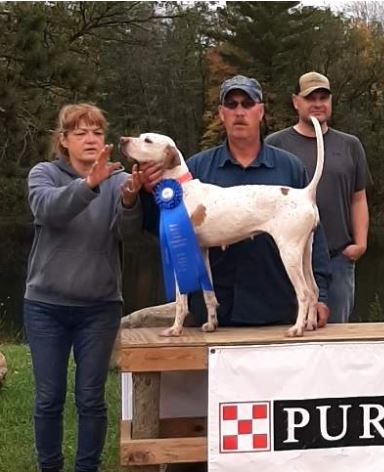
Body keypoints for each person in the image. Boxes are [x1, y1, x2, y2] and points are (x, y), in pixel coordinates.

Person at [141, 75, 332, 327]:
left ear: (260, 111)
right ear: (221, 113)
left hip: (277, 311)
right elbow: (167, 231)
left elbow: (314, 237)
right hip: (215, 319)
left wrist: (323, 297)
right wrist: (146, 194)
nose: (239, 111)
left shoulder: (290, 167)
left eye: (247, 103)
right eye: (231, 105)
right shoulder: (195, 169)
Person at [24, 103, 143, 472]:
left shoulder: (115, 178)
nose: (91, 138)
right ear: (63, 141)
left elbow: (129, 234)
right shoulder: (43, 174)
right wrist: (90, 183)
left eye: (97, 132)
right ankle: (50, 466)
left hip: (100, 306)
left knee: (91, 398)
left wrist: (129, 201)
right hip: (46, 306)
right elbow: (49, 211)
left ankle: (87, 467)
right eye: (81, 132)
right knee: (49, 398)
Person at [266, 71, 370, 324]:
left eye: (323, 97)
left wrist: (359, 244)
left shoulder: (350, 145)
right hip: (289, 259)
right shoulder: (275, 145)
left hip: (338, 258)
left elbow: (358, 197)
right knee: (285, 334)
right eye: (310, 98)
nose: (318, 104)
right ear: (296, 102)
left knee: (335, 339)